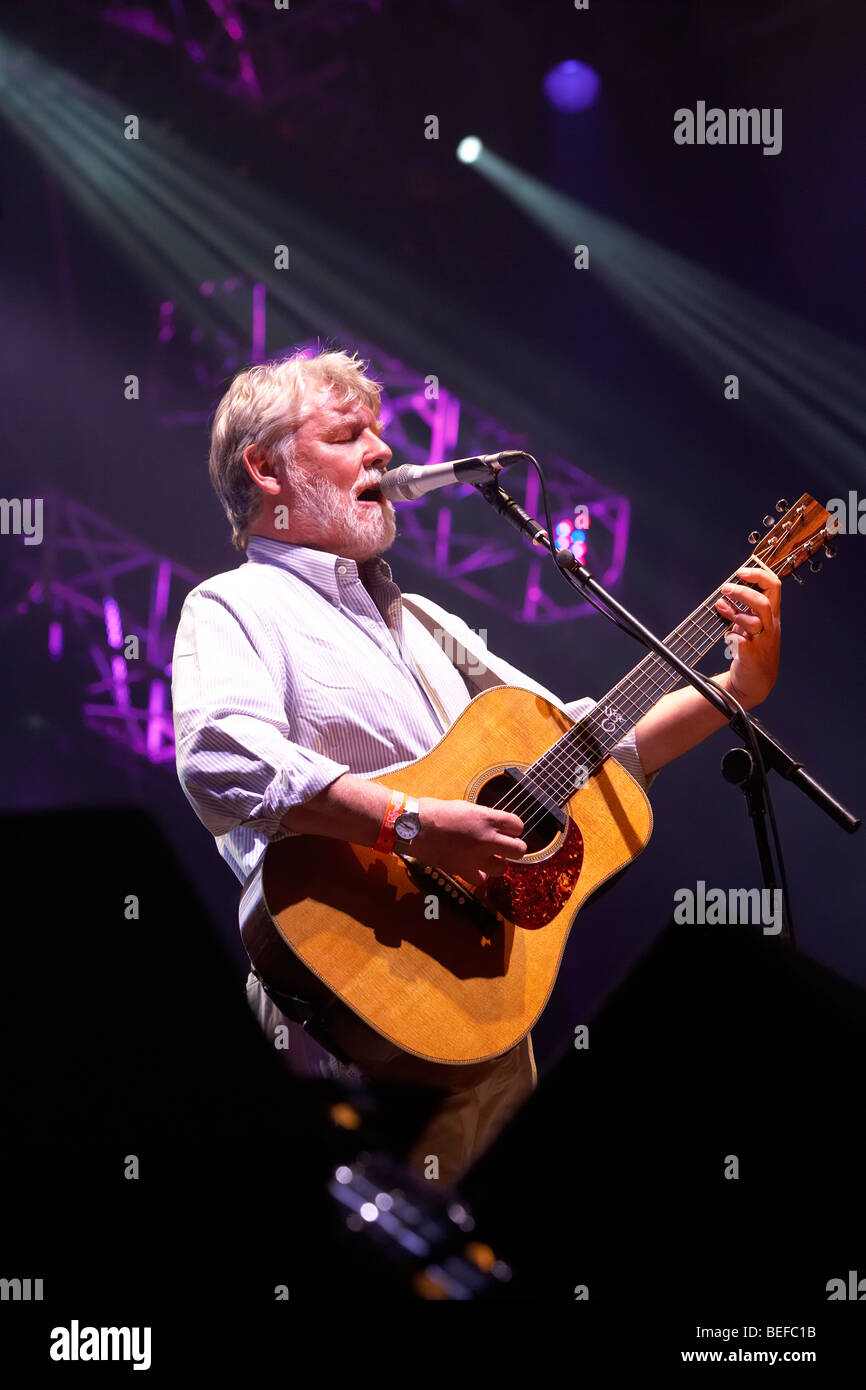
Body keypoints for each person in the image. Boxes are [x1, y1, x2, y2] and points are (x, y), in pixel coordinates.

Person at [171, 348, 782, 1187]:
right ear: (266, 468)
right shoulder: (233, 604)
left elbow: (585, 744)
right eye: (349, 435)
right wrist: (412, 825)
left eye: (378, 433)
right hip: (345, 1000)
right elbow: (219, 756)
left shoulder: (420, 618)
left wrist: (737, 684)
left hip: (482, 1009)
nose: (383, 452)